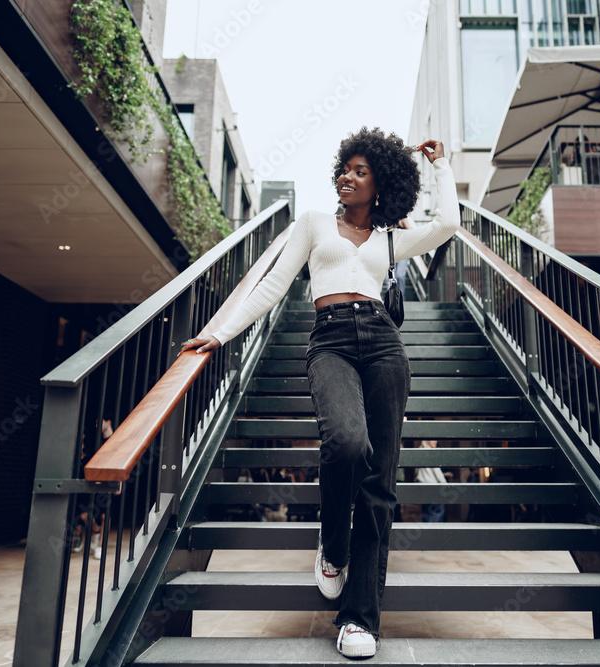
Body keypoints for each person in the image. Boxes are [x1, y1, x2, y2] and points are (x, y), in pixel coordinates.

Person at [180, 126, 459, 659]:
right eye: (344, 168)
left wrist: (439, 166)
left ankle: (359, 621)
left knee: (379, 484)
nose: (346, 177)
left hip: (383, 344)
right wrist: (219, 332)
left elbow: (447, 222)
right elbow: (271, 284)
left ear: (380, 185)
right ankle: (333, 547)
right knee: (347, 443)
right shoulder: (312, 224)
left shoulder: (393, 237)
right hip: (329, 340)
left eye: (360, 171)